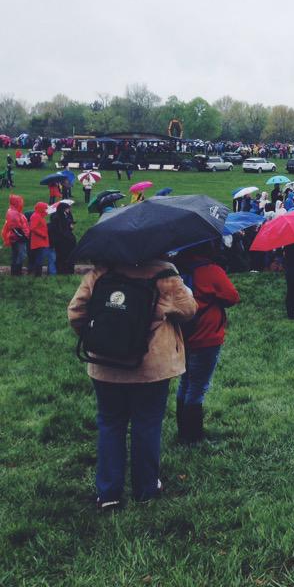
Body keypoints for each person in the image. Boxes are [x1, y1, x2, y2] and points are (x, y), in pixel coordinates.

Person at [67, 259, 197, 510]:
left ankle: (108, 493)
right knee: (147, 425)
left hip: (106, 365)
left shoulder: (101, 271)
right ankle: (146, 488)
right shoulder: (165, 273)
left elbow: (76, 312)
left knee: (110, 424)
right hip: (151, 367)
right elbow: (189, 310)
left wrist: (102, 339)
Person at [173, 243, 240, 444]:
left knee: (185, 383)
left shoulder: (177, 271)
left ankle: (183, 431)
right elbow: (232, 296)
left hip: (184, 335)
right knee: (197, 387)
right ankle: (193, 438)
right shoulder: (211, 271)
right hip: (207, 335)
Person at [2, 193, 29, 275]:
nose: (22, 203)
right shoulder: (14, 214)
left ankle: (14, 271)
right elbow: (16, 228)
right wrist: (24, 236)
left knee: (15, 254)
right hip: (18, 239)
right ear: (16, 203)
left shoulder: (13, 211)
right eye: (20, 202)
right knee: (21, 255)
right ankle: (17, 271)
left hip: (14, 237)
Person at [49, 201, 77, 274]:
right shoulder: (57, 217)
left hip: (67, 239)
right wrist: (69, 226)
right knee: (62, 256)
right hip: (62, 240)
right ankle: (62, 271)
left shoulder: (66, 215)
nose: (69, 210)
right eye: (68, 208)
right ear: (63, 209)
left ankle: (67, 270)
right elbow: (60, 229)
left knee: (67, 256)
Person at [28, 201, 50, 276]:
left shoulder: (39, 215)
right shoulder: (36, 216)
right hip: (38, 241)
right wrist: (42, 234)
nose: (46, 210)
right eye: (44, 208)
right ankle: (38, 275)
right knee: (39, 259)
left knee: (39, 258)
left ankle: (37, 274)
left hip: (40, 241)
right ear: (41, 208)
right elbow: (32, 228)